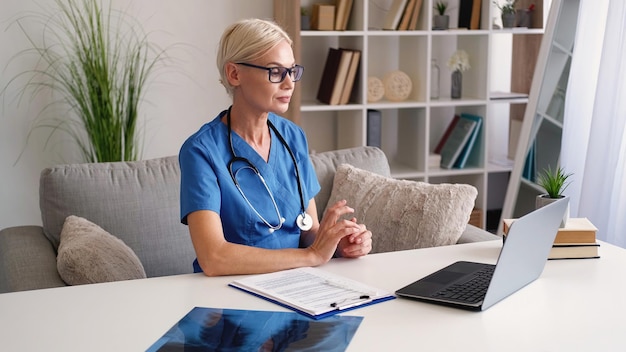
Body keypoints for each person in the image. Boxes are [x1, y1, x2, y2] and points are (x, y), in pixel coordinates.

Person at [179, 18, 372, 276]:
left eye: (292, 71)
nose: (289, 83)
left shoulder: (293, 137)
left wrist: (338, 243)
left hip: (295, 282)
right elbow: (214, 258)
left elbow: (308, 232)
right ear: (234, 74)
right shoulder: (201, 151)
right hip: (229, 291)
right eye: (276, 72)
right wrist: (312, 255)